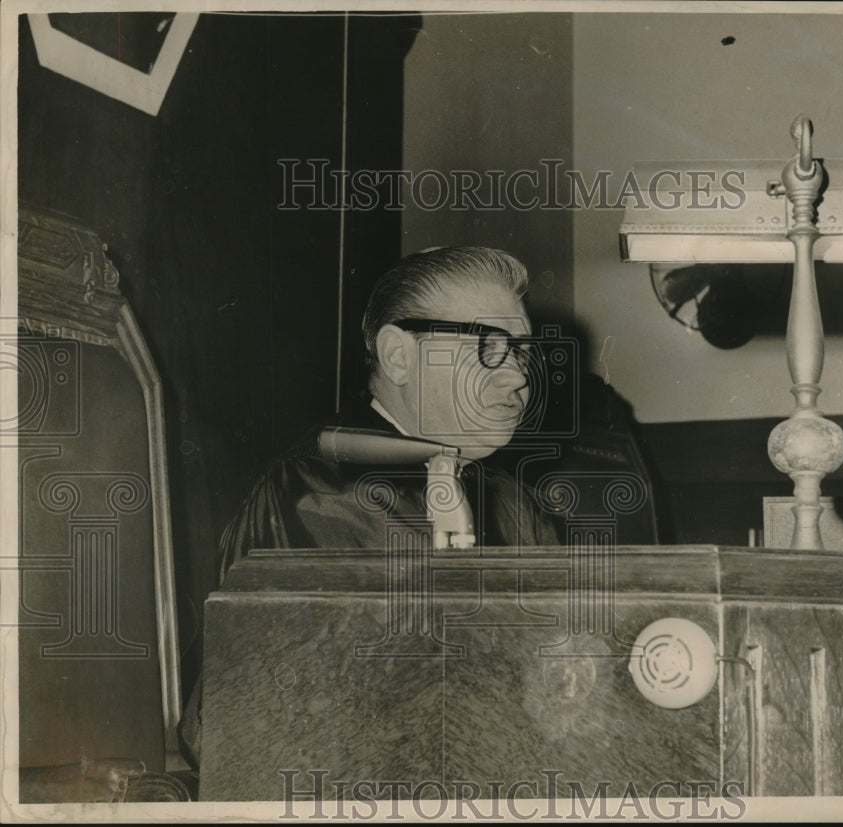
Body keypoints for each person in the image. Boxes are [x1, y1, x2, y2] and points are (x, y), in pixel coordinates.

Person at [180, 246, 563, 768]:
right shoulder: (319, 491)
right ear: (399, 356)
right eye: (488, 346)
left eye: (520, 351)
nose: (517, 376)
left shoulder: (512, 501)